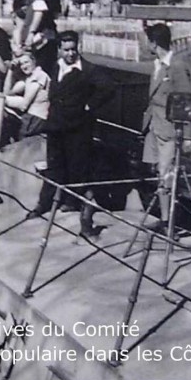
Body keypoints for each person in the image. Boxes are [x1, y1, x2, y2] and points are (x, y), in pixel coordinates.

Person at [26, 31, 115, 238]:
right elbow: (35, 53)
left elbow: (108, 88)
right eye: (66, 50)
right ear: (60, 50)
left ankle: (72, 203)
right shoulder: (55, 66)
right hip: (56, 125)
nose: (70, 54)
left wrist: (89, 106)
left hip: (78, 128)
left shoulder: (88, 70)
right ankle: (44, 204)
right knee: (54, 166)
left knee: (77, 167)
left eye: (73, 49)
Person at [142, 23, 191, 234]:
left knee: (167, 177)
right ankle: (164, 220)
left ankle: (169, 223)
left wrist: (189, 136)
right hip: (154, 128)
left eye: (148, 41)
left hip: (170, 132)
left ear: (154, 43)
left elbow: (188, 103)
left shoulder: (177, 66)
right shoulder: (157, 64)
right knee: (159, 176)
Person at [3, 51, 50, 139]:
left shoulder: (39, 75)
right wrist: (11, 70)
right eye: (21, 64)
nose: (24, 66)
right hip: (31, 116)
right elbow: (7, 92)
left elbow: (24, 105)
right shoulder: (28, 78)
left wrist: (5, 100)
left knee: (19, 139)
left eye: (26, 62)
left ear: (34, 61)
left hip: (37, 117)